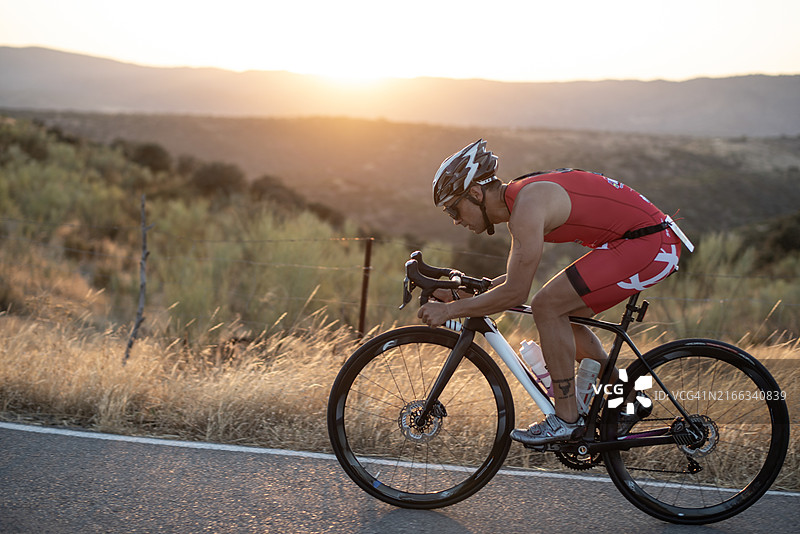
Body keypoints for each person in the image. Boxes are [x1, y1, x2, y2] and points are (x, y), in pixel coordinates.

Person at [418, 139, 693, 445]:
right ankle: (627, 398)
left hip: (649, 244)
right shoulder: (521, 200)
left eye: (455, 209)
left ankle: (565, 419)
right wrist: (465, 295)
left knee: (547, 306)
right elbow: (516, 278)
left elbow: (516, 293)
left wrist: (449, 311)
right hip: (644, 242)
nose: (456, 220)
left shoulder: (527, 206)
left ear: (475, 192)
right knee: (565, 317)